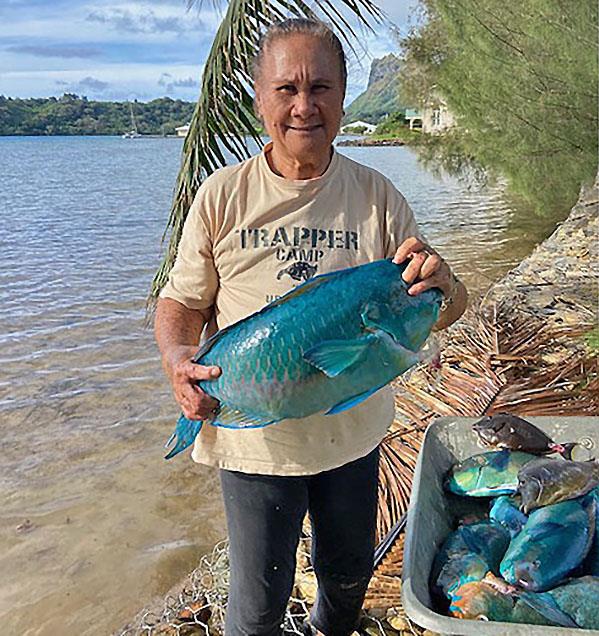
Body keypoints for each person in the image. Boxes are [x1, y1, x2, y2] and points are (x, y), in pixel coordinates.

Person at [154, 18, 468, 636]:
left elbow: (438, 309)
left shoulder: (379, 198)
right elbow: (181, 305)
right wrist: (176, 359)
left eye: (321, 87)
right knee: (257, 605)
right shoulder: (223, 196)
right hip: (254, 447)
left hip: (352, 440)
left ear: (344, 97)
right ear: (258, 97)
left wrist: (446, 283)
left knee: (348, 574)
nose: (304, 106)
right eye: (286, 89)